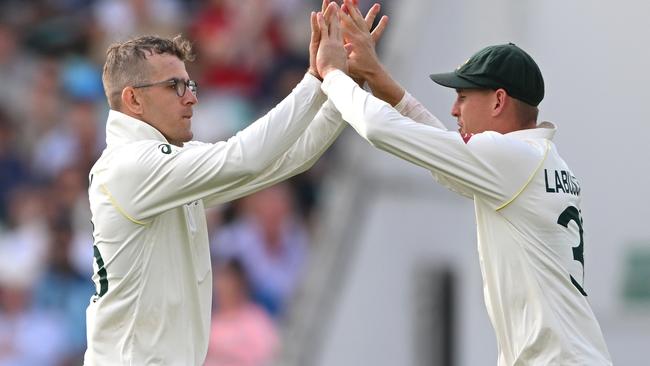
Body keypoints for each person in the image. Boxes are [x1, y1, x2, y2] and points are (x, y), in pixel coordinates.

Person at [84, 1, 386, 364]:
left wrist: (345, 84)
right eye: (175, 86)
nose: (192, 98)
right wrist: (317, 79)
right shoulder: (132, 166)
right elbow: (246, 157)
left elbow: (285, 162)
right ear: (133, 99)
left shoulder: (157, 166)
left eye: (190, 84)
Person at [314, 1, 613, 365]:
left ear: (499, 100)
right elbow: (444, 155)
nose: (454, 109)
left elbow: (379, 129)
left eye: (463, 96)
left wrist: (333, 75)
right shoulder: (537, 159)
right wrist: (377, 77)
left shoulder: (510, 159)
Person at [204, 258, 278, 366]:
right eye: (220, 282)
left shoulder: (257, 318)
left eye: (228, 282)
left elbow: (268, 352)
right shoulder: (209, 322)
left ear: (239, 284)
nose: (222, 287)